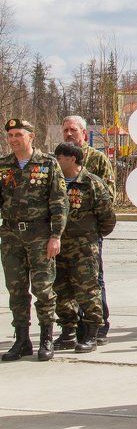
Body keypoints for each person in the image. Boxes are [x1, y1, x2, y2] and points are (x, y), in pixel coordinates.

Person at [0, 118, 68, 362]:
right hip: (10, 237)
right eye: (10, 135)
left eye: (18, 134)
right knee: (16, 290)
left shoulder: (47, 164)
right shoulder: (3, 166)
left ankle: (47, 338)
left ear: (31, 137)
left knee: (43, 289)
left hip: (40, 235)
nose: (14, 139)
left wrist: (55, 236)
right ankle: (21, 340)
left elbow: (59, 202)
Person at [51, 142, 116, 353]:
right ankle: (68, 331)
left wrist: (92, 237)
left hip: (84, 247)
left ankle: (91, 334)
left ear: (72, 159)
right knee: (61, 290)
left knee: (88, 290)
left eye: (60, 158)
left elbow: (107, 217)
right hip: (59, 246)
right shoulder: (55, 182)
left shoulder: (91, 183)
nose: (57, 162)